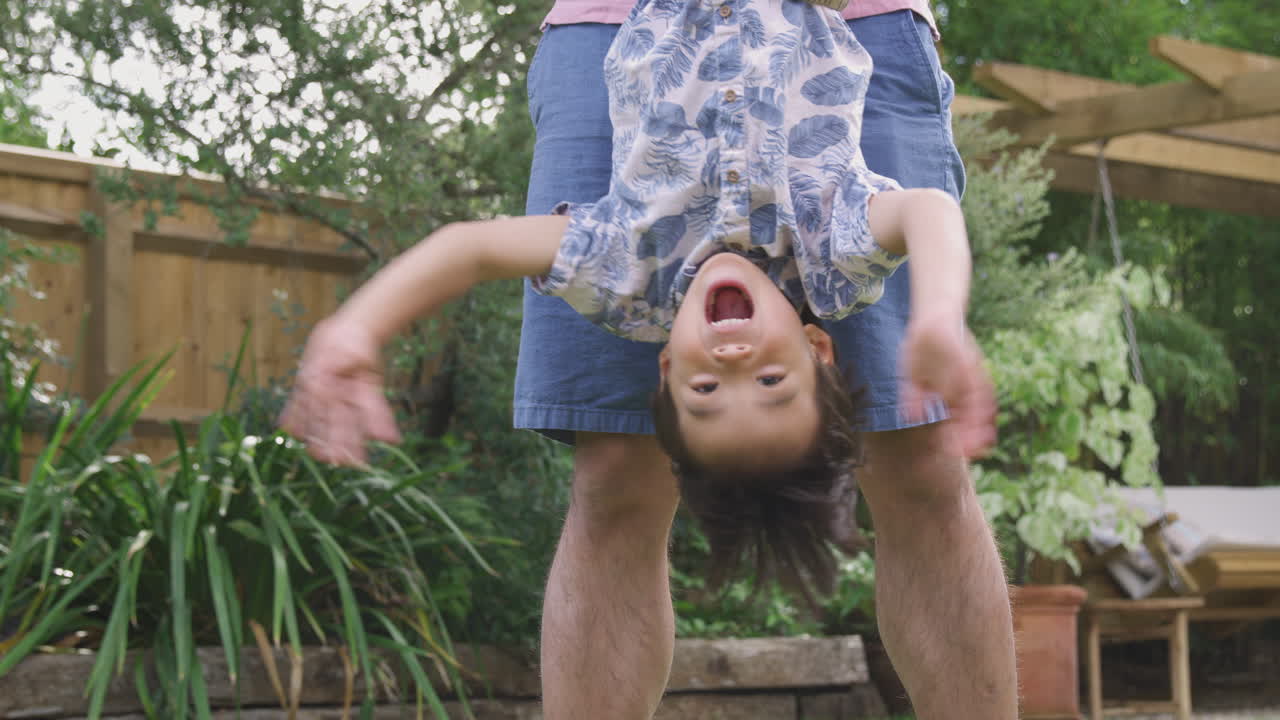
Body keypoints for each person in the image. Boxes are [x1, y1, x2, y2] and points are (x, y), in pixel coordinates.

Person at [285, 1, 1018, 718]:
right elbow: (927, 213)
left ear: (662, 366)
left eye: (707, 386)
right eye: (770, 380)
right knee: (616, 482)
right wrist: (939, 314)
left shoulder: (622, 271)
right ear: (819, 348)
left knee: (918, 465)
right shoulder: (835, 247)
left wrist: (356, 329)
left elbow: (474, 248)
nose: (733, 355)